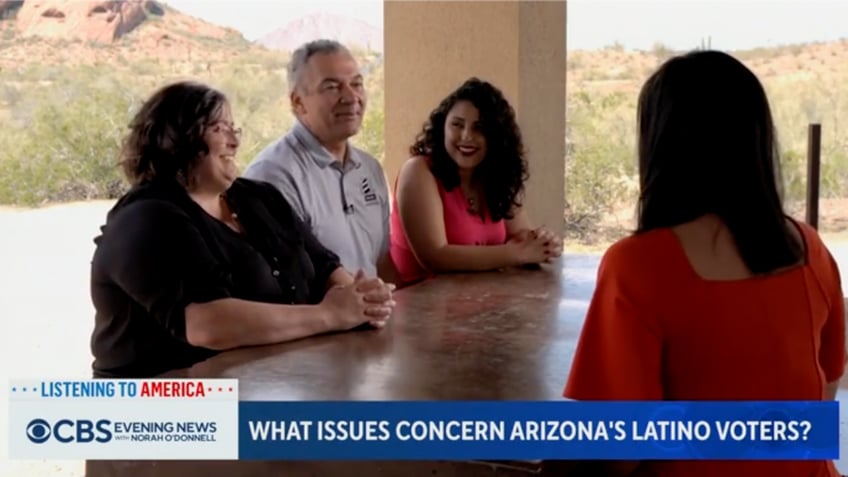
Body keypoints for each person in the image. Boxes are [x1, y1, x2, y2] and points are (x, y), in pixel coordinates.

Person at [564, 50, 846, 477]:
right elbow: (823, 395)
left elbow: (615, 449)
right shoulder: (809, 249)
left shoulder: (638, 266)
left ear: (662, 144)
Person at [89, 81, 395, 379]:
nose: (234, 141)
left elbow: (323, 265)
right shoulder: (147, 218)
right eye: (219, 129)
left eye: (233, 128)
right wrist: (331, 316)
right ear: (178, 138)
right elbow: (207, 324)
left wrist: (361, 300)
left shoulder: (260, 197)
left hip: (267, 381)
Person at [242, 39, 396, 283]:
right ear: (298, 102)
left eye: (357, 84)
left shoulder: (369, 169)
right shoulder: (273, 177)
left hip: (375, 316)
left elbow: (381, 264)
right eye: (332, 87)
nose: (351, 96)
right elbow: (286, 282)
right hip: (320, 320)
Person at [389, 77, 563, 287]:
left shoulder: (493, 175)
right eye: (457, 125)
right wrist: (515, 253)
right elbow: (435, 257)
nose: (466, 137)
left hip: (481, 306)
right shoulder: (418, 171)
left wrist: (542, 242)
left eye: (479, 128)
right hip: (421, 311)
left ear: (497, 136)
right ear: (442, 125)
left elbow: (521, 237)